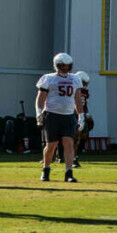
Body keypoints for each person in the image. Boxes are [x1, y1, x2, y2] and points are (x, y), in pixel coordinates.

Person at [36, 53, 84, 183]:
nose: (65, 68)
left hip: (68, 116)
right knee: (51, 145)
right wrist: (39, 112)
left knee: (69, 143)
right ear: (57, 65)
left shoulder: (75, 78)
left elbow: (78, 99)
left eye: (67, 65)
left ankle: (69, 172)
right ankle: (45, 170)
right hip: (52, 115)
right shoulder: (48, 78)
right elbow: (41, 97)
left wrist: (81, 116)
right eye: (62, 65)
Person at [74, 70, 94, 167]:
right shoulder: (73, 89)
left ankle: (76, 157)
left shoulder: (85, 92)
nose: (84, 85)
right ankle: (64, 157)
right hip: (72, 115)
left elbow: (84, 104)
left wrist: (87, 113)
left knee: (83, 137)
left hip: (82, 115)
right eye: (83, 82)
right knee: (72, 138)